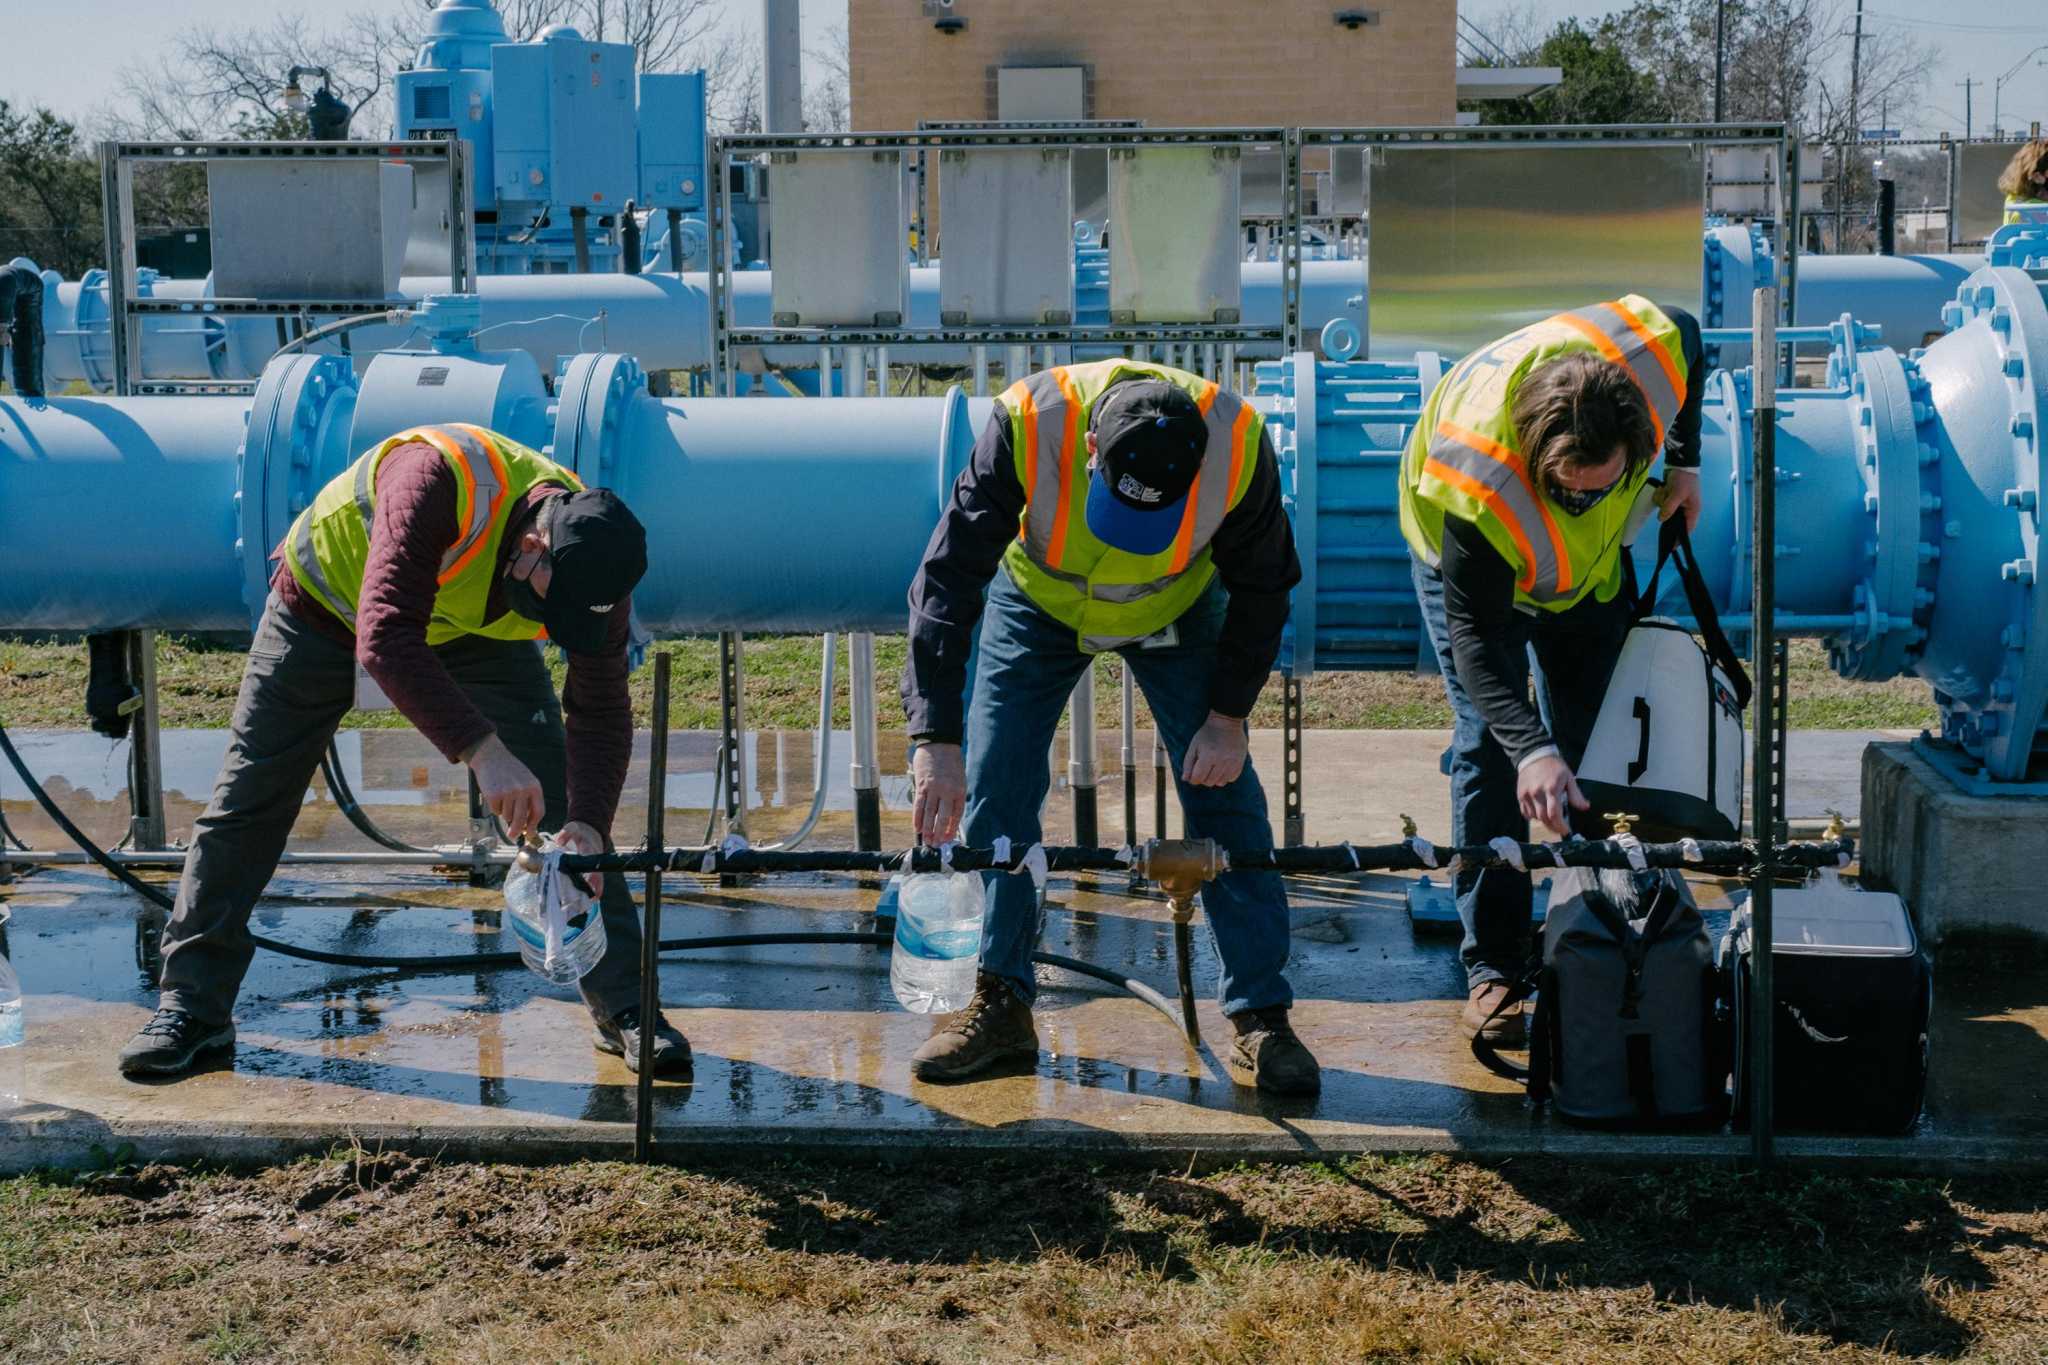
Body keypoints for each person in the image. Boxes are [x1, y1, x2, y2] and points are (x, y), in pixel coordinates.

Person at [117, 422, 690, 1078]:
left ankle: (628, 1008)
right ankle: (192, 1007)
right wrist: (483, 749)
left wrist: (589, 820)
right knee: (250, 800)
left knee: (566, 809)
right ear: (534, 545)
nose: (553, 625)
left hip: (465, 627)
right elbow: (386, 637)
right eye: (546, 604)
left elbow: (601, 706)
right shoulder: (434, 480)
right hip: (325, 604)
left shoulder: (594, 556)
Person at [901, 358, 1320, 1096]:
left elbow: (1264, 584)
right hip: (1041, 601)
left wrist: (1227, 717)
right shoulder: (1029, 421)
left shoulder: (1238, 442)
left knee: (1224, 792)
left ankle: (1262, 1016)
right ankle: (999, 1004)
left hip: (1174, 605)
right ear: (1091, 446)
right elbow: (950, 575)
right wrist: (934, 737)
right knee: (998, 790)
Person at [1400, 297, 1706, 1046]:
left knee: (1597, 730)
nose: (1586, 497)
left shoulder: (1652, 362)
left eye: (1602, 485)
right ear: (1538, 453)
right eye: (1570, 487)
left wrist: (1686, 460)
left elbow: (1691, 336)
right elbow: (1477, 639)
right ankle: (1494, 966)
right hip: (1474, 566)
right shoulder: (1480, 477)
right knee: (1489, 742)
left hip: (1588, 574)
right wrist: (1532, 749)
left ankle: (1605, 922)